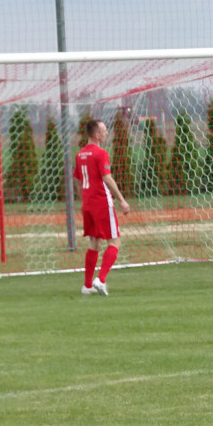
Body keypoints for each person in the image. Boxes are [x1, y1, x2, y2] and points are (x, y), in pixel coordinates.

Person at [73, 119, 131, 295]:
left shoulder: (80, 154)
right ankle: (101, 279)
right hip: (102, 203)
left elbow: (76, 179)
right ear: (97, 135)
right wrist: (121, 199)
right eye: (104, 131)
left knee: (94, 242)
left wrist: (82, 196)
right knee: (115, 241)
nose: (107, 133)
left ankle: (87, 286)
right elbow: (107, 178)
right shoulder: (101, 153)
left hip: (88, 204)